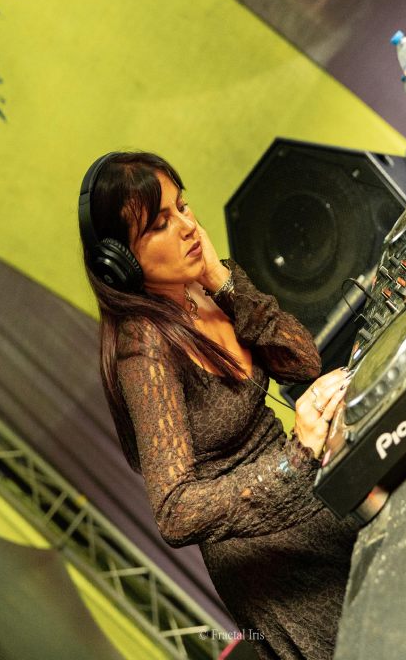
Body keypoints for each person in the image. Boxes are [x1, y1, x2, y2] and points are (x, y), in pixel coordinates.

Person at [78, 150, 359, 660]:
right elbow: (175, 511)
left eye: (182, 207)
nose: (188, 227)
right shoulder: (143, 350)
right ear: (120, 262)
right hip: (270, 564)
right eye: (160, 224)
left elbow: (301, 360)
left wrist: (222, 281)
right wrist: (295, 456)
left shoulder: (209, 286)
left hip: (315, 504)